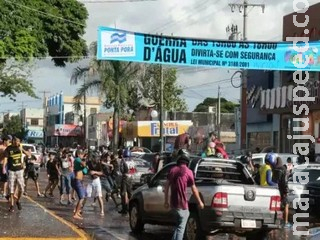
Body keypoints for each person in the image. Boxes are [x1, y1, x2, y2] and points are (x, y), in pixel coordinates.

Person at [164, 149, 204, 240]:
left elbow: (166, 187)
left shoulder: (173, 170)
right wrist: (200, 202)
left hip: (173, 204)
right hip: (182, 204)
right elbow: (194, 189)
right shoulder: (189, 172)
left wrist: (166, 201)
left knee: (178, 226)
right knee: (181, 228)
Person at [2, 136, 25, 212]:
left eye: (19, 141)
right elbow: (5, 158)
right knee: (11, 188)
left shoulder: (20, 147)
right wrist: (4, 168)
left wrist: (23, 150)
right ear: (13, 141)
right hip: (11, 170)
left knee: (21, 188)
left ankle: (18, 201)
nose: (18, 143)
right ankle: (11, 205)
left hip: (20, 170)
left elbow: (27, 154)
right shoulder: (8, 149)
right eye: (16, 141)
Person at [272, 157, 290, 229]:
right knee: (286, 205)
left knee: (276, 206)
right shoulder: (283, 169)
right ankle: (285, 222)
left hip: (275, 190)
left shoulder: (274, 169)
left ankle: (276, 222)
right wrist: (286, 190)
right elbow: (285, 181)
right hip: (282, 190)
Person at [72, 149, 88, 220]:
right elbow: (83, 164)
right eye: (82, 154)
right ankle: (76, 213)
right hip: (77, 180)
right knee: (81, 197)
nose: (82, 156)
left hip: (80, 181)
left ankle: (77, 211)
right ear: (78, 154)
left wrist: (85, 167)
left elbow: (85, 171)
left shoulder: (80, 162)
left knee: (85, 195)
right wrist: (85, 163)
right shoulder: (77, 160)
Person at [118, 148, 133, 215]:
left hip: (125, 178)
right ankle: (131, 207)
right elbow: (133, 170)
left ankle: (124, 209)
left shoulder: (123, 161)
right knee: (130, 193)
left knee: (123, 193)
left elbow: (121, 170)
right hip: (130, 178)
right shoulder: (132, 161)